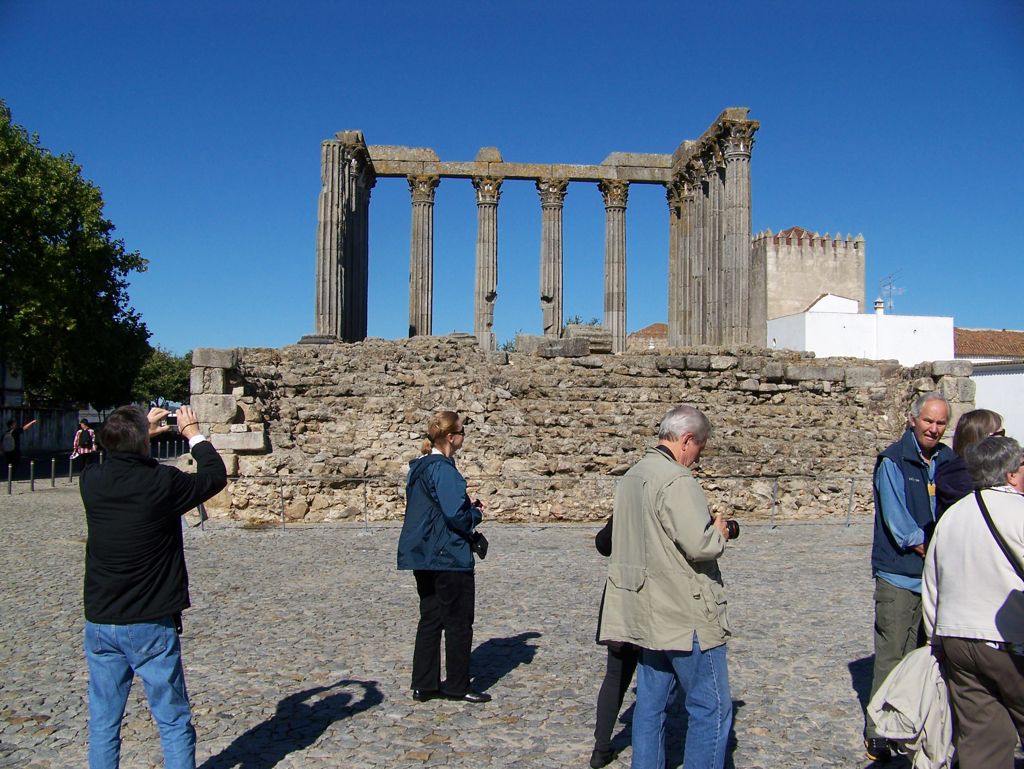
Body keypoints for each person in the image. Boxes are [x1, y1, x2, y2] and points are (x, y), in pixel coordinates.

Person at [81, 404, 227, 769]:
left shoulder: (91, 480)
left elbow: (111, 455)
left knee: (103, 723)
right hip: (150, 622)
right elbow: (214, 475)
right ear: (144, 446)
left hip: (101, 620)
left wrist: (137, 432)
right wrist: (193, 433)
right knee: (173, 721)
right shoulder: (162, 482)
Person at [599, 405, 734, 769]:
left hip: (646, 612)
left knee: (650, 707)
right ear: (686, 439)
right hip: (684, 612)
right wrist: (719, 532)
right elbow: (699, 544)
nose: (696, 460)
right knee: (712, 708)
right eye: (698, 450)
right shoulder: (676, 480)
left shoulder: (631, 476)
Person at [923, 436, 1024, 769]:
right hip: (1008, 642)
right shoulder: (1019, 511)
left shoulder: (953, 516)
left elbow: (932, 583)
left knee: (983, 741)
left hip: (957, 640)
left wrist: (936, 639)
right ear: (1011, 474)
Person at [864, 391, 955, 762]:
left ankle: (919, 724)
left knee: (931, 657)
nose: (934, 428)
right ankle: (879, 732)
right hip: (900, 575)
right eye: (928, 421)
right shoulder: (892, 461)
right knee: (892, 654)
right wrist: (938, 543)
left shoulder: (949, 461)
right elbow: (900, 526)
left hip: (937, 578)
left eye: (940, 422)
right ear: (912, 420)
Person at [396, 410, 490, 704]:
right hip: (447, 555)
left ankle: (424, 683)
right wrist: (475, 513)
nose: (463, 437)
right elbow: (455, 514)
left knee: (431, 619)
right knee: (459, 622)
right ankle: (457, 685)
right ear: (451, 437)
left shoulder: (419, 468)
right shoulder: (443, 469)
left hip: (424, 556)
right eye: (461, 432)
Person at [590, 515, 640, 769]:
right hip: (657, 599)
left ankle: (600, 749)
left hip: (623, 596)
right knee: (658, 678)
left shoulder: (628, 497)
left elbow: (603, 543)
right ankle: (649, 751)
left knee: (615, 676)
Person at [934, 408, 1003, 516]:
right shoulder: (980, 480)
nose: (1005, 439)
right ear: (986, 440)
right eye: (1001, 433)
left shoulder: (947, 473)